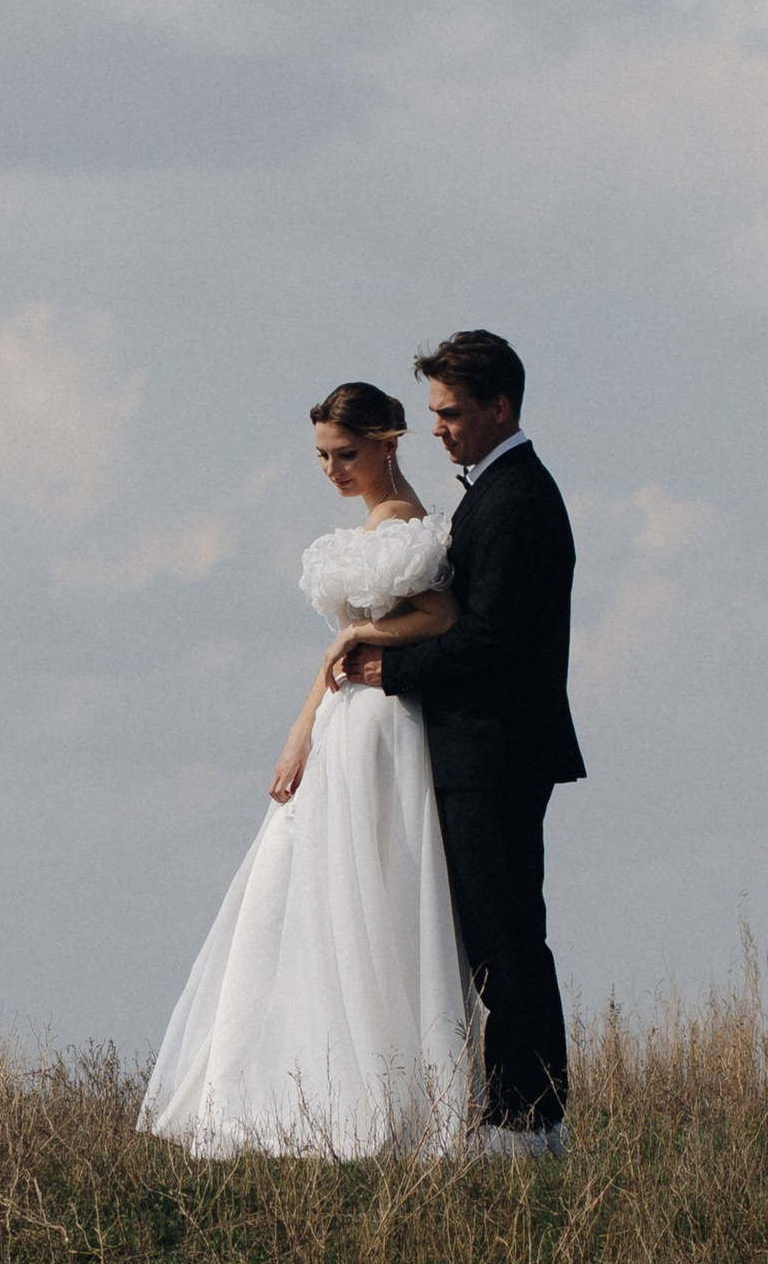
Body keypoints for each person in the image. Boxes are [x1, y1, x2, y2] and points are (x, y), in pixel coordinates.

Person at [139, 383, 477, 1157]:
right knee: (295, 885)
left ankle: (372, 1093)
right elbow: (342, 654)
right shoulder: (372, 523)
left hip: (381, 723)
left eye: (345, 454)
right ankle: (295, 1082)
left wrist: (357, 631)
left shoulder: (404, 526)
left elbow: (441, 617)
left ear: (389, 442)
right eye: (323, 457)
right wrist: (301, 731)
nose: (331, 470)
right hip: (342, 717)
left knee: (364, 885)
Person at [336, 329, 583, 1155]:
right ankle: (519, 1113)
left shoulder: (517, 499)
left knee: (505, 936)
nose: (435, 427)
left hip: (496, 751)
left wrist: (386, 670)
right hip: (482, 750)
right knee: (491, 936)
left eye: (449, 412)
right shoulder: (497, 492)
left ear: (499, 406)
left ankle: (528, 1121)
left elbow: (493, 640)